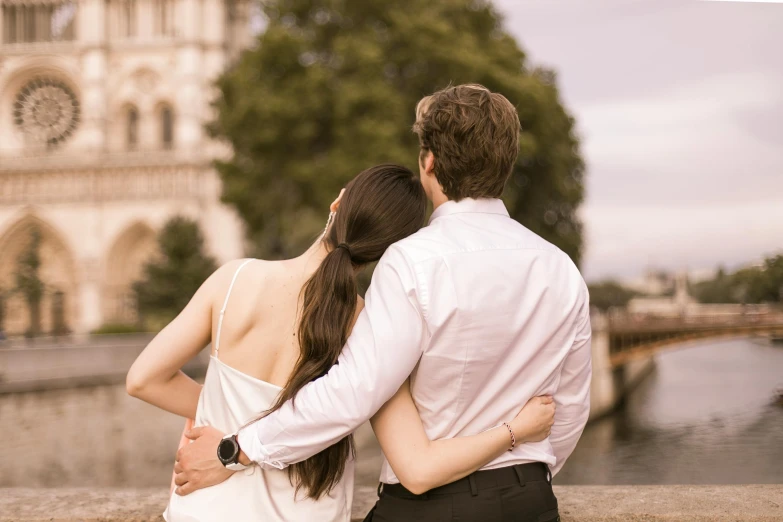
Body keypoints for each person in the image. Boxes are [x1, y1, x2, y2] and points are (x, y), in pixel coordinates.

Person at [176, 84, 592, 522]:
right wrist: (521, 473)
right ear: (506, 165)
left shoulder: (412, 262)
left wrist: (236, 449)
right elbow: (568, 413)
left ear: (428, 161)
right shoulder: (559, 267)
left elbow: (351, 394)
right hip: (533, 503)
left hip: (434, 508)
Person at [127, 163, 557, 522]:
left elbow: (144, 380)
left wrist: (225, 419)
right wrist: (516, 430)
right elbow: (419, 467)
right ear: (392, 250)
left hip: (203, 509)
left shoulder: (234, 279)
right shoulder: (369, 326)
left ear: (337, 204)